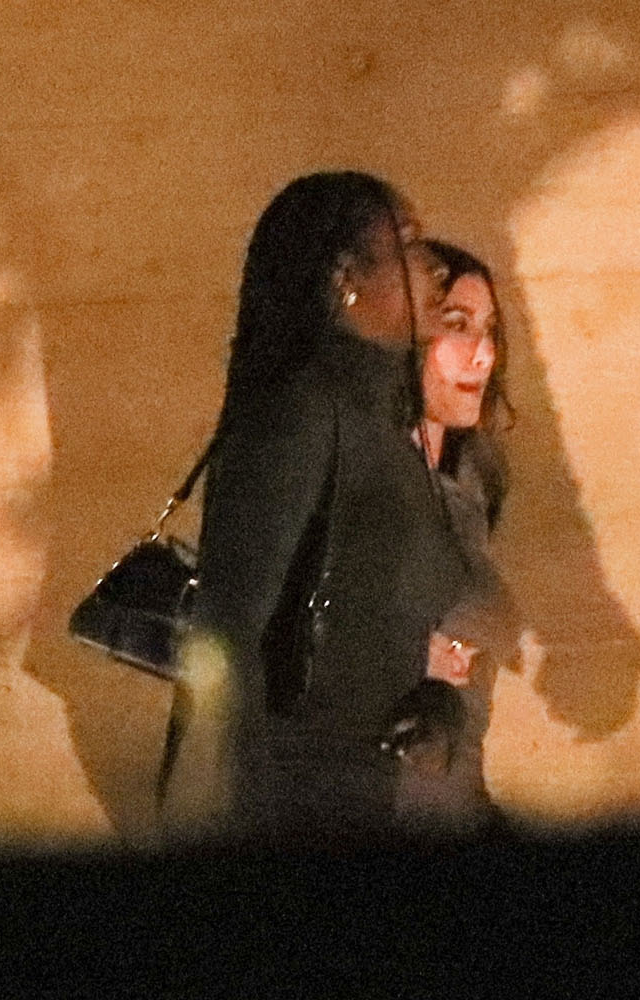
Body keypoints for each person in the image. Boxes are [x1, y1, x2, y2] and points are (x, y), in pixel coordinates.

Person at [163, 172, 468, 848]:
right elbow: (228, 633)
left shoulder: (379, 423)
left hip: (361, 796)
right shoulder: (302, 413)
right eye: (408, 243)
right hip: (294, 803)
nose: (436, 265)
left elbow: (380, 627)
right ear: (345, 279)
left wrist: (434, 707)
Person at [384, 239, 519, 838]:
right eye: (458, 326)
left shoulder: (474, 476)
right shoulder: (356, 480)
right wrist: (406, 652)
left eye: (489, 331)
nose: (482, 354)